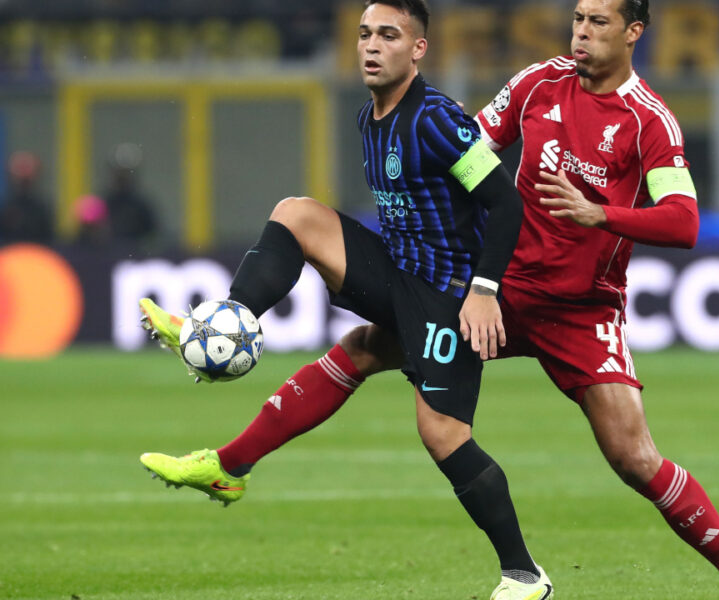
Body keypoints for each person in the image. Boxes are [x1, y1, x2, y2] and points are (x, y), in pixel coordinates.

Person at [145, 1, 719, 598]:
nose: (582, 32)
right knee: (367, 348)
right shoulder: (539, 83)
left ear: (634, 32)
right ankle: (229, 452)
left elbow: (683, 221)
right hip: (498, 289)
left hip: (580, 308)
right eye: (578, 18)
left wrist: (601, 214)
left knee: (633, 456)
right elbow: (470, 150)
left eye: (598, 21)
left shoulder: (648, 119)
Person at [137, 2, 552, 599]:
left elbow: (504, 203)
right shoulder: (370, 118)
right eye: (364, 35)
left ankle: (525, 576)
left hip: (445, 296)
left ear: (418, 49)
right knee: (297, 215)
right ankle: (223, 338)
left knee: (441, 434)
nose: (371, 46)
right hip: (400, 271)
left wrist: (484, 291)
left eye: (388, 35)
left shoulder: (435, 119)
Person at [0, 151, 53, 244]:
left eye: (27, 168)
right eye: (20, 169)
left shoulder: (43, 208)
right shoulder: (4, 207)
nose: (23, 174)